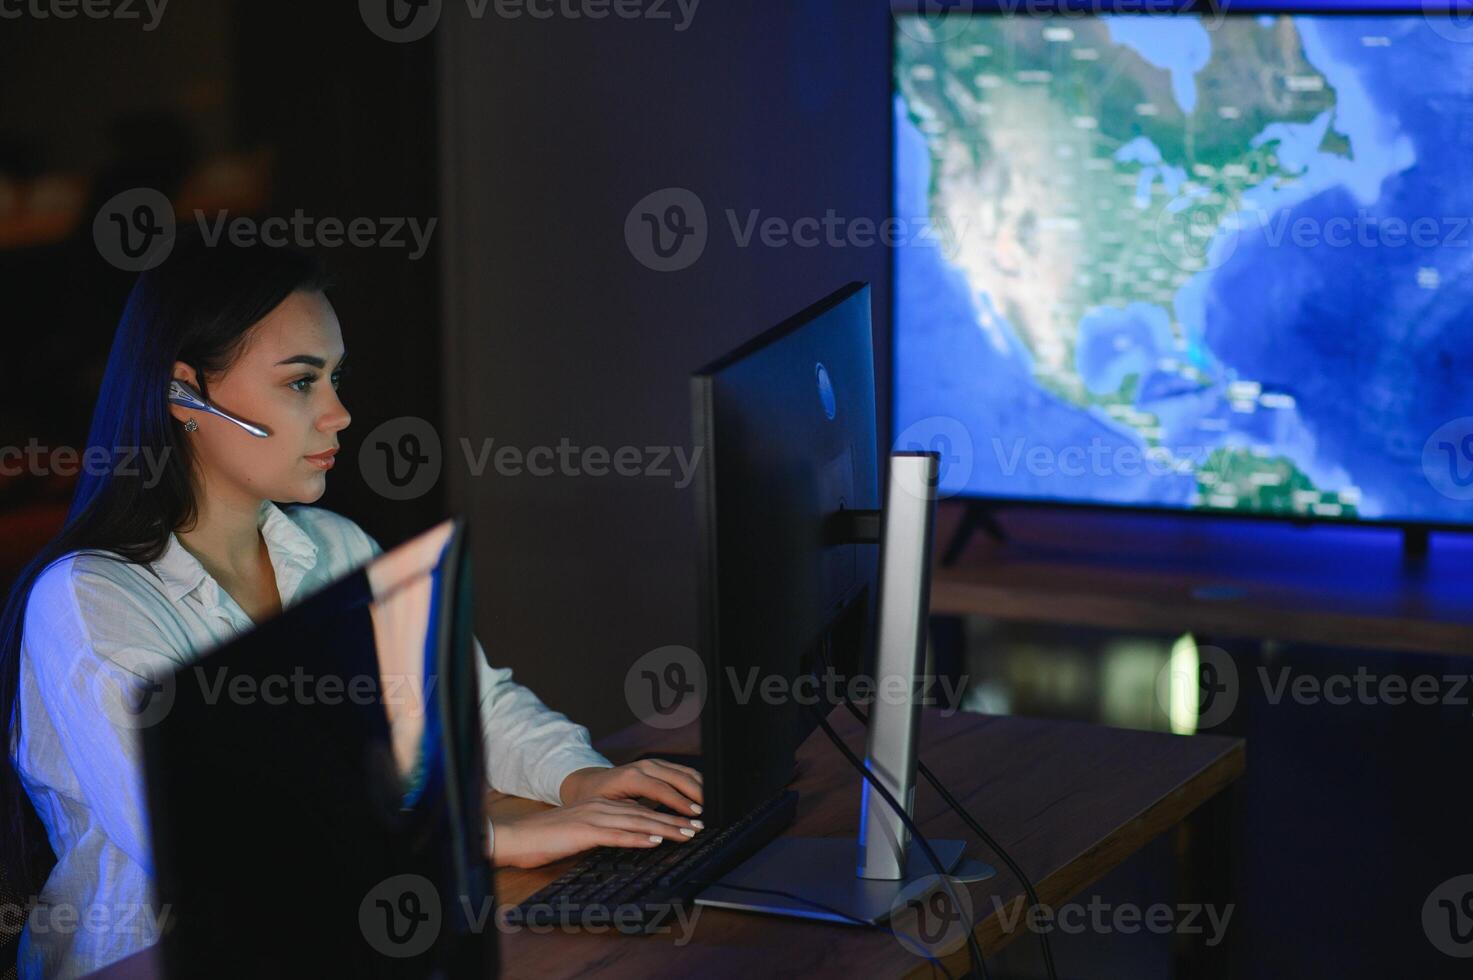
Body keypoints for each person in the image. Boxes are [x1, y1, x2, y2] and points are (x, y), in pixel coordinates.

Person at [0, 235, 704, 980]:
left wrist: (578, 779)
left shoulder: (333, 548)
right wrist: (480, 837)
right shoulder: (87, 600)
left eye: (336, 378)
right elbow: (214, 849)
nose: (338, 413)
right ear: (185, 395)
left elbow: (467, 705)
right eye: (301, 383)